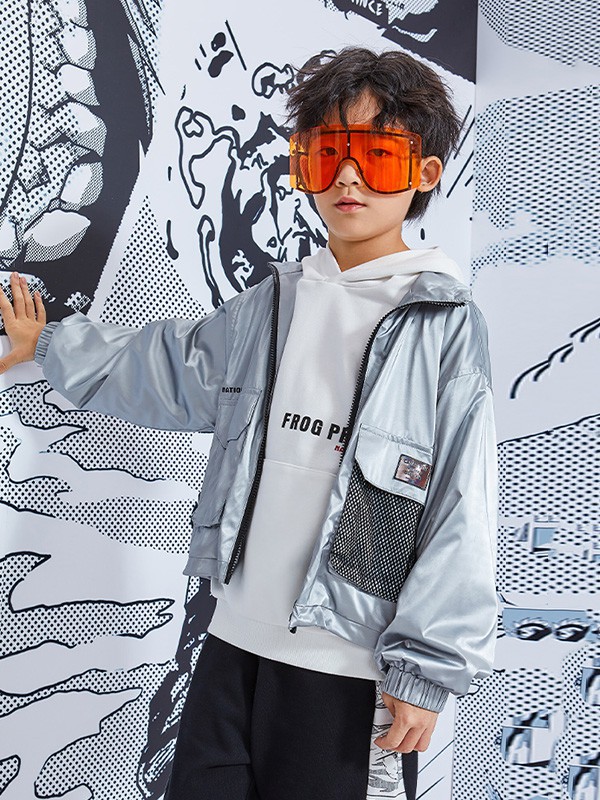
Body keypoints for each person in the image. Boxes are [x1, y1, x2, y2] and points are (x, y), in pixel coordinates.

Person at [0, 47, 498, 800]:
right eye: (327, 154)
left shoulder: (444, 323)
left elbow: (463, 503)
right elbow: (169, 367)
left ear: (424, 173)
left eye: (377, 157)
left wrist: (426, 670)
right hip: (232, 640)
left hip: (346, 666)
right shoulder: (276, 301)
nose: (348, 178)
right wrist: (49, 346)